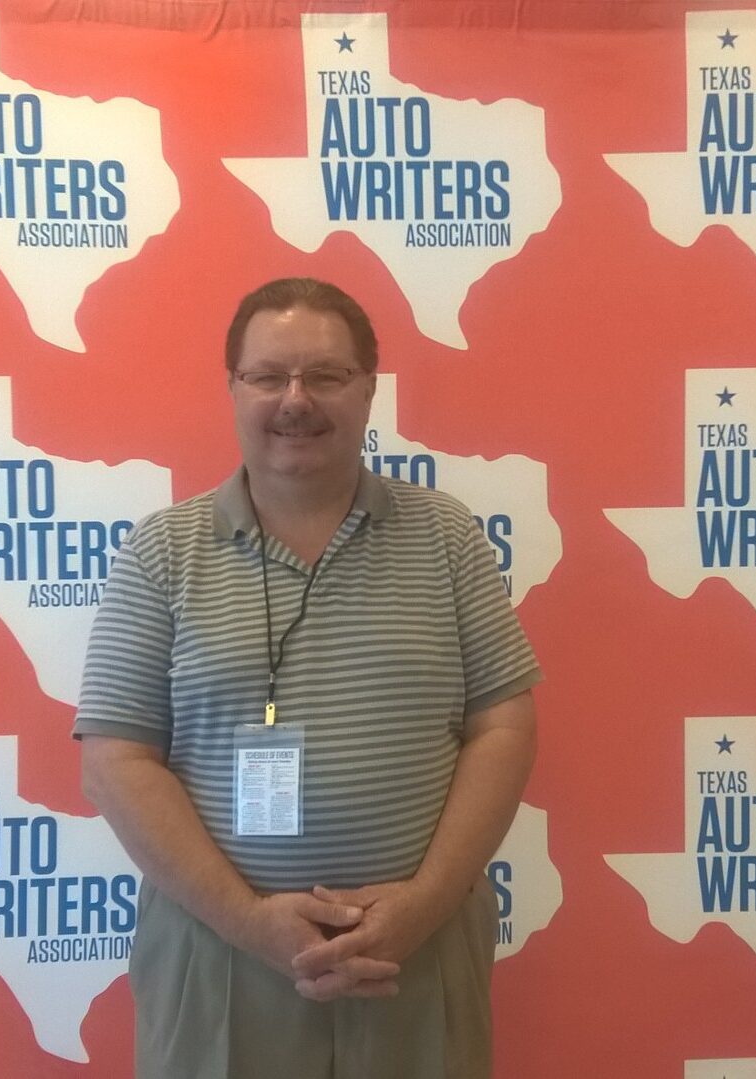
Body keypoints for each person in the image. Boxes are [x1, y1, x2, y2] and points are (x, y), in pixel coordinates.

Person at [73, 278, 541, 1078]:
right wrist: (248, 919)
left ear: (367, 388)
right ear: (234, 389)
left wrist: (422, 904)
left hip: (412, 956)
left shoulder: (446, 537)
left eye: (325, 375)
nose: (296, 399)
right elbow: (116, 757)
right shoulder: (161, 552)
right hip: (218, 956)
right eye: (268, 375)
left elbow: (503, 724)